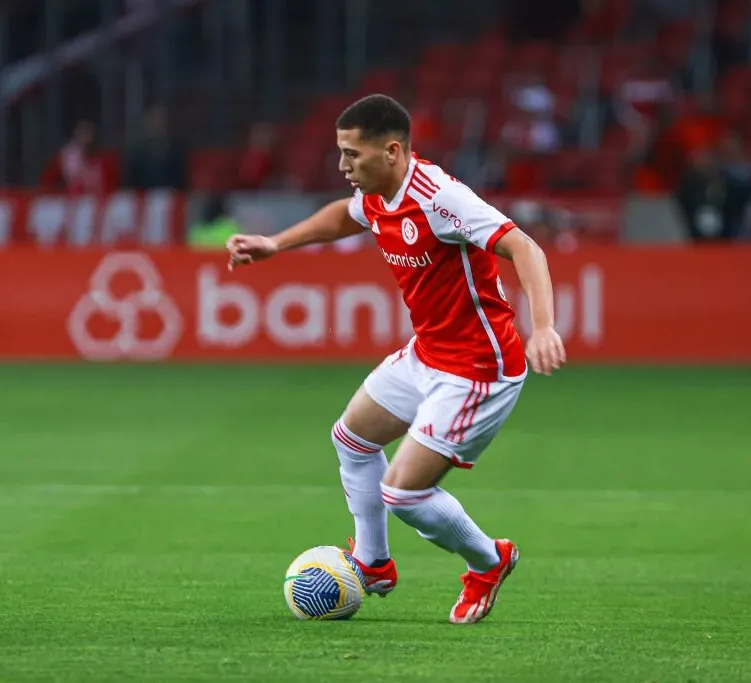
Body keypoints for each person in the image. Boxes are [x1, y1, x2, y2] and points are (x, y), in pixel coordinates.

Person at [225, 94, 565, 625]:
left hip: (478, 369)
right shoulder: (377, 192)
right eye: (340, 153)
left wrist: (542, 326)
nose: (343, 166)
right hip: (428, 354)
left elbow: (525, 248)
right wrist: (276, 243)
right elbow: (344, 216)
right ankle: (373, 562)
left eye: (352, 155)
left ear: (391, 151)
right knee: (352, 437)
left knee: (403, 494)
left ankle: (488, 560)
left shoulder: (439, 197)